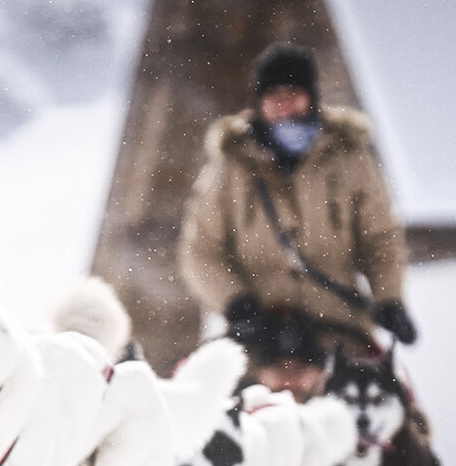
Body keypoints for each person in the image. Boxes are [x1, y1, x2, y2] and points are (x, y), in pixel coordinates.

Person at [179, 43, 418, 401]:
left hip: (340, 331)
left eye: (293, 92)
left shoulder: (350, 157)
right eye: (272, 93)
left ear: (313, 99)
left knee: (399, 418)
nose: (283, 102)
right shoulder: (230, 166)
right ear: (257, 102)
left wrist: (389, 300)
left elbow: (380, 239)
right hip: (258, 338)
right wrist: (235, 303)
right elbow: (200, 251)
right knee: (197, 412)